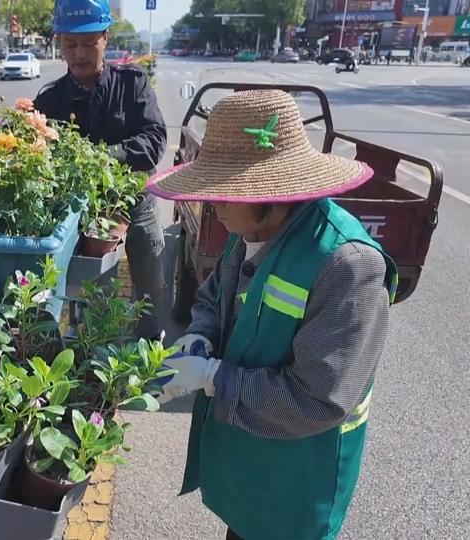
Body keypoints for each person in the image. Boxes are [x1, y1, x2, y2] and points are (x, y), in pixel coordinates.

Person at [148, 90, 398, 540]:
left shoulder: (347, 264)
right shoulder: (249, 230)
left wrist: (213, 377)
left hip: (299, 472)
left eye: (224, 193)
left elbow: (317, 399)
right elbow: (212, 298)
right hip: (252, 454)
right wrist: (200, 337)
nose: (212, 205)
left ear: (273, 191)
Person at [34, 0, 168, 338]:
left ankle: (150, 343)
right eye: (70, 44)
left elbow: (154, 140)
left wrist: (103, 156)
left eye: (88, 43)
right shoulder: (50, 100)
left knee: (150, 274)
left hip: (133, 196)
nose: (78, 53)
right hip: (79, 204)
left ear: (105, 39)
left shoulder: (131, 83)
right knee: (87, 283)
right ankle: (87, 345)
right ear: (60, 44)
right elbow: (35, 154)